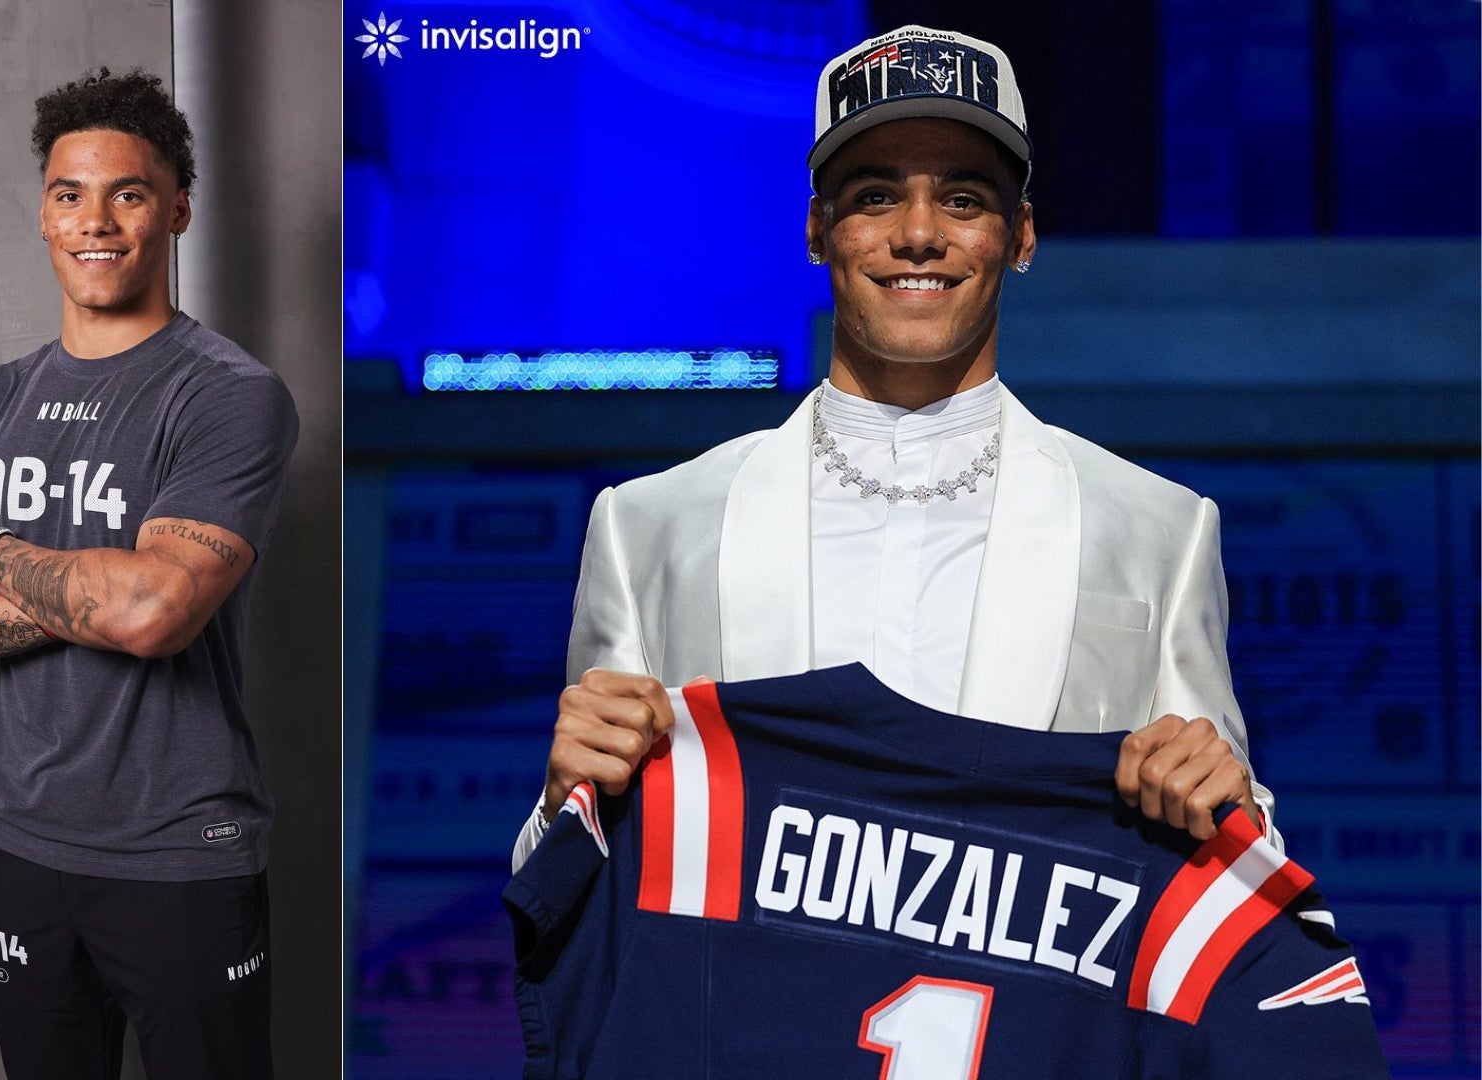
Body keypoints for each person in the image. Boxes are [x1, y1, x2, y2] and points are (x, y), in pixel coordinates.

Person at [513, 25, 1276, 872]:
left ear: (1020, 236)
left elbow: (1236, 873)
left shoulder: (1159, 531)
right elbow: (571, 896)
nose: (919, 234)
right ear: (817, 229)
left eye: (962, 200)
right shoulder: (646, 527)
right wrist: (560, 809)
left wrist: (1229, 806)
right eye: (876, 196)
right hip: (746, 1004)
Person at [0, 68, 296, 1079]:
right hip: (18, 848)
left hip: (178, 855)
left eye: (130, 192)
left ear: (177, 210)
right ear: (44, 214)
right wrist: (90, 596)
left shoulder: (228, 398)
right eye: (70, 193)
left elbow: (154, 613)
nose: (95, 221)